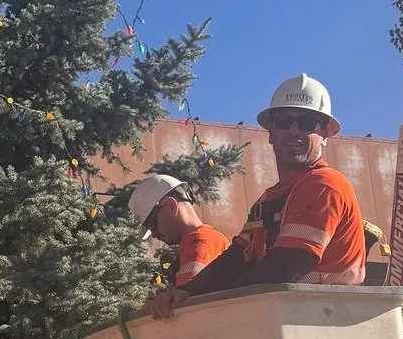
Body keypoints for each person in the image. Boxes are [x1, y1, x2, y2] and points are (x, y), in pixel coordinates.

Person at [146, 75, 366, 318]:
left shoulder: (324, 184)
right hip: (294, 317)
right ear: (271, 131)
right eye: (284, 122)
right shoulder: (268, 200)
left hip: (325, 319)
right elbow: (237, 259)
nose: (294, 132)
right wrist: (188, 291)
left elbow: (288, 264)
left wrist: (215, 304)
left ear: (325, 134)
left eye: (307, 122)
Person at [128, 172, 231, 288]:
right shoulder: (198, 242)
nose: (154, 234)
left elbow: (186, 299)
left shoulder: (200, 240)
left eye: (152, 224)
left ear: (172, 205)